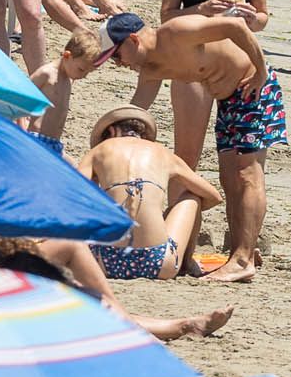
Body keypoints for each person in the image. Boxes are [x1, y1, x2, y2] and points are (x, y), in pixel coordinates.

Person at [96, 8, 283, 284]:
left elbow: (236, 27)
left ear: (133, 40)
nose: (118, 64)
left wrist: (261, 70)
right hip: (229, 101)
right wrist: (111, 144)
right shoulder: (150, 68)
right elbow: (135, 110)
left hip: (253, 87)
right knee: (229, 178)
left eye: (116, 56)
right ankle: (240, 254)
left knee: (247, 174)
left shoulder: (177, 32)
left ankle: (242, 260)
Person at [153, 0, 272, 184]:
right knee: (187, 157)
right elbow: (167, 18)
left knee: (242, 163)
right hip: (194, 64)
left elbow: (262, 18)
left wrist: (251, 17)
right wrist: (201, 10)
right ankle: (179, 225)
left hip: (238, 66)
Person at [77, 105, 222, 281]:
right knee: (192, 197)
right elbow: (213, 196)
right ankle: (186, 262)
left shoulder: (99, 151)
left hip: (103, 262)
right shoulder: (162, 153)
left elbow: (73, 195)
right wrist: (167, 216)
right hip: (159, 264)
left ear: (112, 131)